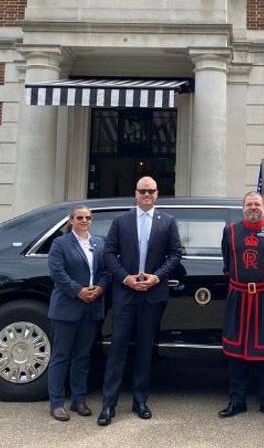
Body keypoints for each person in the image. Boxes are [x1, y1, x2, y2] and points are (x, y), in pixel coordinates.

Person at [97, 177, 182, 426]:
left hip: (153, 294)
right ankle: (108, 404)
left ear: (157, 194)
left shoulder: (167, 222)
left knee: (146, 349)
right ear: (135, 193)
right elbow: (109, 253)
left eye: (151, 191)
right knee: (117, 349)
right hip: (125, 293)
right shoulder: (121, 221)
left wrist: (157, 277)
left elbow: (175, 254)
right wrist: (126, 278)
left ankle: (140, 400)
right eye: (142, 191)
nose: (147, 194)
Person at [218, 192, 264, 421]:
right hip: (238, 297)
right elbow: (227, 265)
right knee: (236, 353)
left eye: (257, 204)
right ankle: (237, 401)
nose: (253, 207)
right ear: (243, 207)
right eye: (249, 204)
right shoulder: (230, 231)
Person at [47, 205, 110, 421]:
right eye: (80, 217)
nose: (84, 221)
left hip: (91, 307)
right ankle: (56, 403)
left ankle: (78, 400)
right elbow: (57, 272)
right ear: (71, 220)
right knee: (61, 356)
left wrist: (99, 288)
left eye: (88, 218)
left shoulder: (99, 243)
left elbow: (106, 272)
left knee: (82, 356)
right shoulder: (60, 243)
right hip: (67, 307)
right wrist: (78, 291)